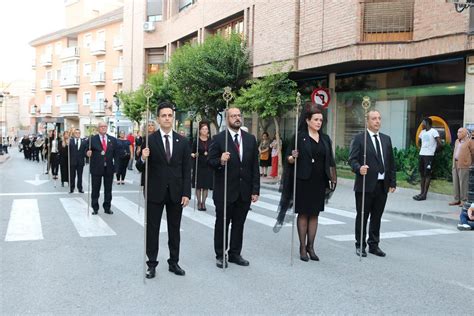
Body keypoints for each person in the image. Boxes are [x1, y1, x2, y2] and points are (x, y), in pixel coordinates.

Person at [136, 103, 191, 279]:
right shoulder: (149, 140)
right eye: (163, 115)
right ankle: (151, 264)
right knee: (153, 229)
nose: (167, 118)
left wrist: (186, 193)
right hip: (155, 191)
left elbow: (186, 170)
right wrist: (143, 158)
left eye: (169, 115)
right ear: (158, 118)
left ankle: (173, 262)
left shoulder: (182, 141)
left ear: (172, 117)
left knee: (174, 229)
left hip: (176, 192)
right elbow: (139, 167)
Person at [208, 107, 260, 269]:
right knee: (222, 223)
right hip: (224, 190)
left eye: (239, 115)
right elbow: (210, 162)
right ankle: (220, 254)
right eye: (233, 116)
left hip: (244, 191)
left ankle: (235, 254)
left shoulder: (250, 139)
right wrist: (221, 160)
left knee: (239, 223)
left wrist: (255, 190)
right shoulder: (218, 139)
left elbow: (254, 167)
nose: (237, 118)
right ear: (227, 119)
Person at [288, 106, 337, 261]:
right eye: (316, 119)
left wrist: (333, 177)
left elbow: (330, 160)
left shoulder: (325, 138)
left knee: (315, 214)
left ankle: (311, 246)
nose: (319, 122)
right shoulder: (299, 137)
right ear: (308, 120)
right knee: (303, 213)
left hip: (319, 181)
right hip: (303, 180)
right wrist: (292, 157)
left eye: (321, 120)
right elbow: (288, 159)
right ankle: (302, 247)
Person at [349, 109, 396, 257]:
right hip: (365, 184)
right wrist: (358, 168)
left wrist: (392, 182)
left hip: (382, 185)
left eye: (379, 118)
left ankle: (374, 245)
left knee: (377, 216)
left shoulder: (386, 139)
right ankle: (360, 245)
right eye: (374, 118)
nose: (377, 121)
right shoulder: (359, 138)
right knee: (362, 216)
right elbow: (352, 159)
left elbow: (391, 162)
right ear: (367, 121)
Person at [86, 122, 119, 215]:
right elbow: (86, 150)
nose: (104, 128)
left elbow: (116, 155)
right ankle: (95, 207)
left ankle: (107, 207)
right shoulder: (92, 139)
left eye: (105, 126)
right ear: (98, 128)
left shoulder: (112, 140)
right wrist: (87, 153)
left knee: (108, 189)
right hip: (96, 168)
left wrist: (116, 168)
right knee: (95, 188)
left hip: (109, 168)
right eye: (101, 126)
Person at [413, 117, 441, 201]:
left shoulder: (434, 132)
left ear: (427, 123)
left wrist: (433, 151)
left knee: (427, 175)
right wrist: (422, 148)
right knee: (422, 174)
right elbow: (418, 142)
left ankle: (424, 195)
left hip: (429, 156)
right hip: (422, 154)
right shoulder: (422, 132)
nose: (422, 125)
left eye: (423, 123)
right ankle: (421, 193)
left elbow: (440, 144)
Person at [191, 121, 213, 211]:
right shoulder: (196, 141)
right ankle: (199, 202)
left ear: (208, 131)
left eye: (206, 129)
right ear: (200, 131)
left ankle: (203, 202)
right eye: (203, 129)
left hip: (207, 165)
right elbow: (191, 153)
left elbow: (214, 152)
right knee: (199, 185)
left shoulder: (211, 141)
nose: (205, 130)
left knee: (205, 185)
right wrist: (194, 154)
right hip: (199, 164)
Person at [450, 128, 474, 206]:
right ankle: (456, 199)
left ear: (464, 133)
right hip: (455, 164)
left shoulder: (470, 141)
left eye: (460, 132)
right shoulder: (457, 141)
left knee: (463, 183)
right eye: (457, 132)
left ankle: (464, 200)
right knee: (455, 182)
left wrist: (471, 163)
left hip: (464, 165)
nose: (458, 133)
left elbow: (473, 153)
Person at [69, 129, 87, 193]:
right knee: (72, 176)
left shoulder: (84, 142)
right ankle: (71, 188)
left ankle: (80, 188)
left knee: (80, 176)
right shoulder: (70, 141)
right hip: (72, 161)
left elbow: (85, 151)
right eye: (76, 133)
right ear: (74, 134)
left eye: (78, 133)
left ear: (80, 134)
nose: (77, 134)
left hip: (80, 162)